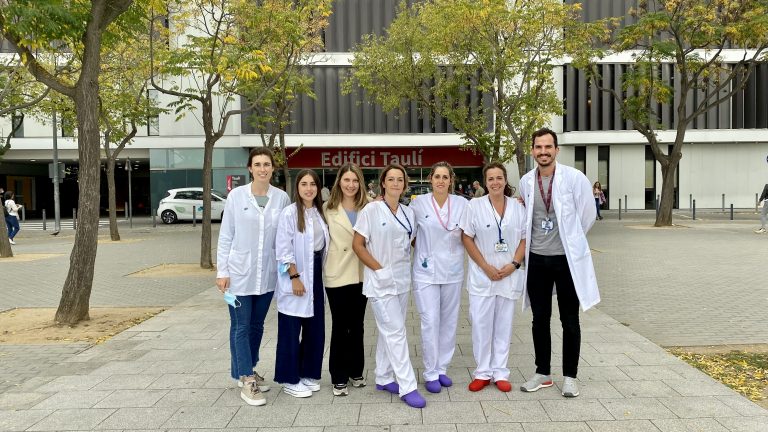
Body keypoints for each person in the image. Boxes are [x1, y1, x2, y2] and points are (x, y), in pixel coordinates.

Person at [518, 128, 599, 398]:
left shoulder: (574, 178)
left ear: (556, 150)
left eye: (548, 147)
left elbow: (587, 215)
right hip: (537, 259)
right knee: (539, 319)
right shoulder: (526, 181)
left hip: (566, 261)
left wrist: (571, 240)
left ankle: (570, 377)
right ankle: (542, 373)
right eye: (538, 147)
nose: (543, 152)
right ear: (532, 151)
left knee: (569, 320)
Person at [216, 147, 290, 406]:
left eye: (266, 164)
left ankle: (246, 369)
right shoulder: (236, 196)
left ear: (272, 168)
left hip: (267, 275)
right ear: (250, 168)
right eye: (257, 164)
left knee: (257, 325)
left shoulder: (281, 198)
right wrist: (222, 271)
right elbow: (226, 235)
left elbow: (284, 236)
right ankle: (247, 379)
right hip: (238, 275)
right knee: (241, 326)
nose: (262, 169)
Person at [352, 163, 426, 408]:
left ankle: (383, 377)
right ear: (383, 183)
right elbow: (358, 245)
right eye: (391, 179)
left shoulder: (408, 213)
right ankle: (408, 386)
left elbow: (412, 242)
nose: (395, 183)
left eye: (400, 179)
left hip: (402, 280)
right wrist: (379, 270)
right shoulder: (371, 210)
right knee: (396, 332)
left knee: (391, 330)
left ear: (405, 185)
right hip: (381, 282)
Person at [460, 163, 526, 393]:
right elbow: (466, 238)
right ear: (485, 182)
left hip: (508, 274)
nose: (495, 182)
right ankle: (482, 372)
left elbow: (524, 238)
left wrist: (514, 264)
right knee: (481, 325)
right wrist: (485, 267)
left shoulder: (518, 207)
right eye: (491, 179)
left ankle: (500, 372)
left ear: (505, 180)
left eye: (499, 178)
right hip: (483, 276)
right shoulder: (474, 205)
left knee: (503, 325)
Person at [409, 162, 468, 393]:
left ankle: (442, 368)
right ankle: (430, 372)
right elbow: (410, 234)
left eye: (445, 177)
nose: (441, 181)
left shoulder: (462, 204)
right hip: (426, 272)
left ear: (451, 180)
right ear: (430, 179)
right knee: (430, 320)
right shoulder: (418, 204)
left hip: (453, 271)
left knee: (449, 321)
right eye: (437, 177)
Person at [274, 169, 329, 398]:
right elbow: (283, 249)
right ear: (297, 187)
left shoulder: (319, 212)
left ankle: (308, 373)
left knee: (315, 328)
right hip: (295, 274)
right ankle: (289, 379)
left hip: (315, 273)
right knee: (290, 329)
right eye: (304, 184)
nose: (309, 188)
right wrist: (294, 277)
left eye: (312, 184)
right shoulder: (289, 213)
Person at [323, 163, 370, 396]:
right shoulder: (327, 208)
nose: (351, 185)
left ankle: (356, 370)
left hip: (362, 273)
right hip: (338, 273)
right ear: (339, 182)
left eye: (355, 180)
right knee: (341, 325)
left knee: (357, 324)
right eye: (346, 180)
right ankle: (338, 375)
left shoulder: (370, 206)